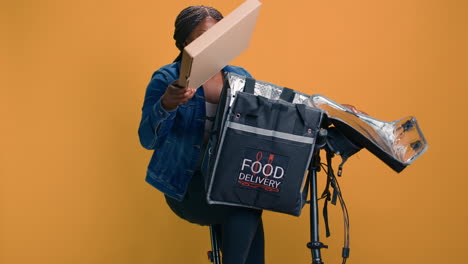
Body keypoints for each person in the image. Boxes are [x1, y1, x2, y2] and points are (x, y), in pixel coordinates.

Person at [138, 6, 264, 264]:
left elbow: (264, 123)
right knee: (247, 202)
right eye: (202, 37)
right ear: (185, 42)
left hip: (230, 181)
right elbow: (146, 139)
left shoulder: (241, 77)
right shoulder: (167, 79)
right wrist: (166, 105)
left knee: (252, 194)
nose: (212, 43)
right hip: (187, 186)